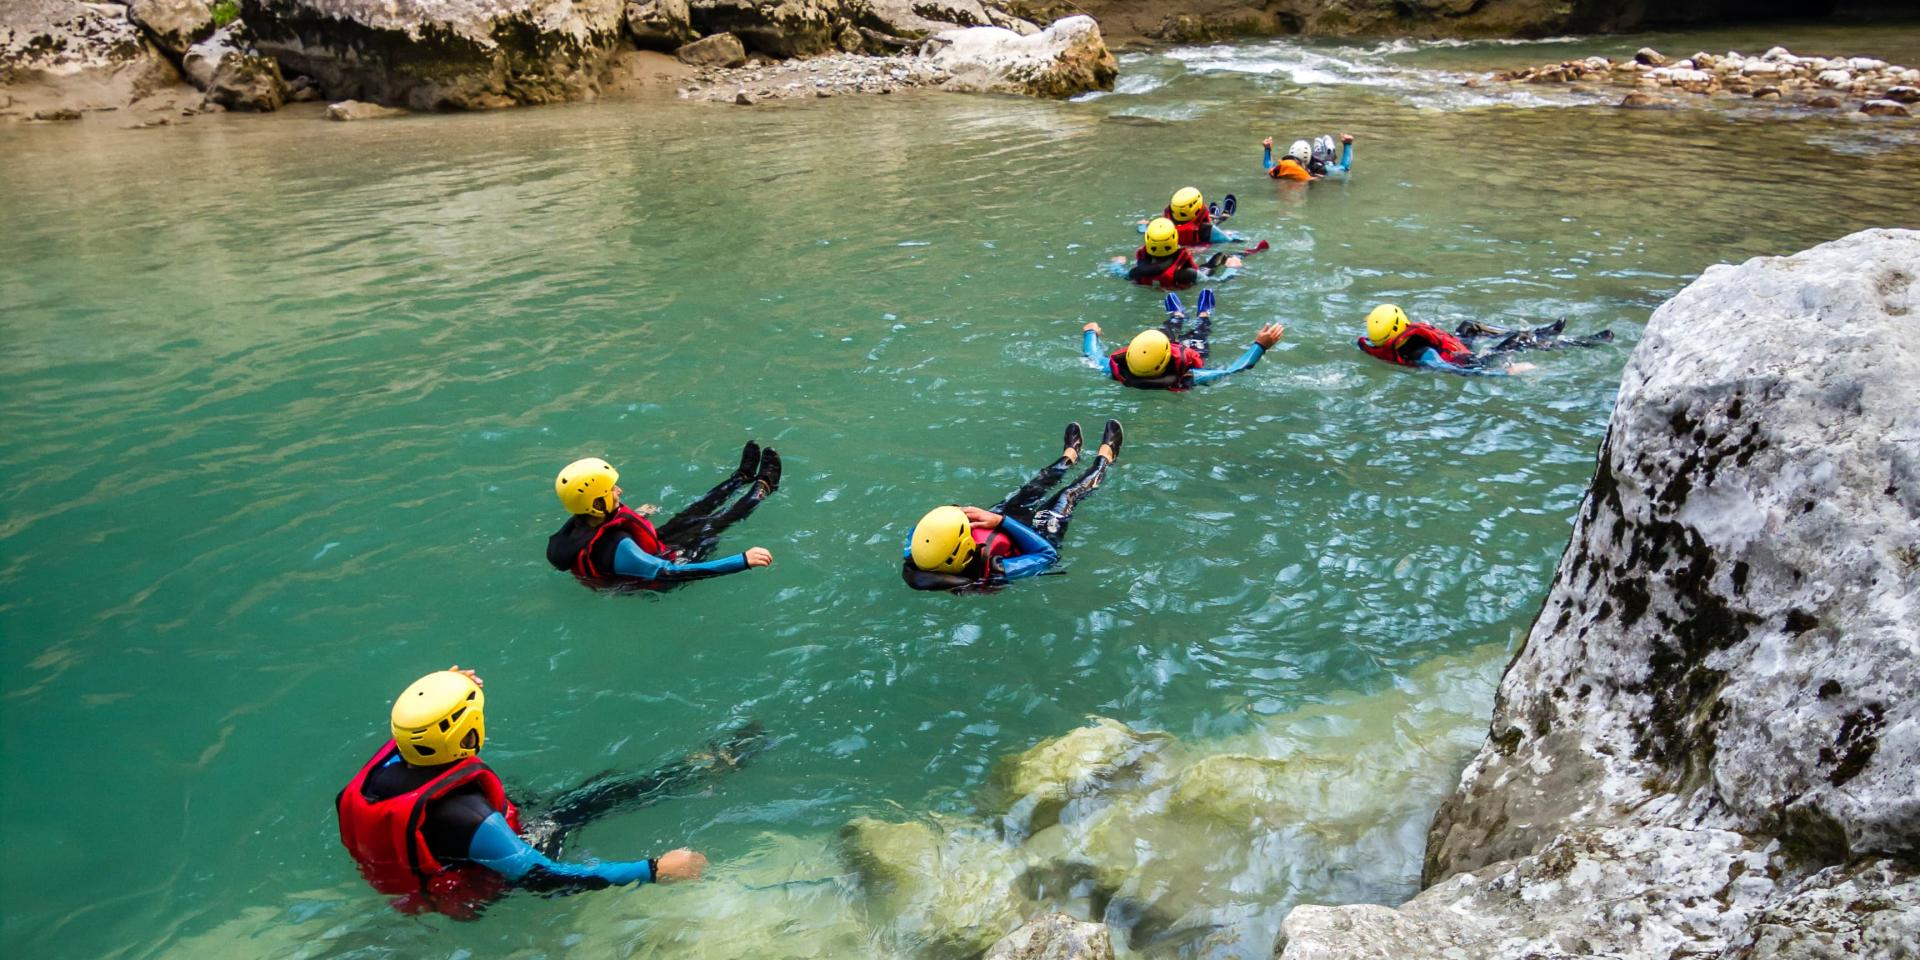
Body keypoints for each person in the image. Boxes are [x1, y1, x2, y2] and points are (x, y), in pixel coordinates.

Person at [337, 668, 763, 919]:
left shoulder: (385, 768)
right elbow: (546, 879)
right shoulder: (470, 816)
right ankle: (708, 764)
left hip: (420, 868)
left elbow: (420, 732)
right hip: (484, 884)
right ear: (466, 734)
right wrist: (654, 869)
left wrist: (454, 682)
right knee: (593, 797)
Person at [902, 420, 1124, 592]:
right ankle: (1105, 459)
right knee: (1069, 494)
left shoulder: (917, 553)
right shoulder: (998, 569)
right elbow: (1048, 557)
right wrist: (1000, 521)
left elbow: (917, 531)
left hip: (996, 521)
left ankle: (1069, 456)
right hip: (1037, 535)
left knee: (1035, 485)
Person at [546, 445, 778, 591]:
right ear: (596, 504)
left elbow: (600, 530)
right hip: (663, 570)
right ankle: (764, 486)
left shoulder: (581, 521)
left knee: (693, 512)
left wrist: (637, 514)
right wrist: (742, 560)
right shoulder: (620, 546)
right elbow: (670, 572)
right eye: (611, 490)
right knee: (714, 524)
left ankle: (740, 477)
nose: (619, 491)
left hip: (652, 552)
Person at [1081, 289, 1283, 391]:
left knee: (1165, 331)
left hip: (1159, 352)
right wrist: (1260, 345)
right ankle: (1203, 314)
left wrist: (1090, 332)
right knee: (1198, 336)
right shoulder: (1188, 376)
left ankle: (1177, 316)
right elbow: (1233, 370)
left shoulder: (1116, 370)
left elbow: (1092, 355)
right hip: (1175, 354)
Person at [1356, 305, 1608, 376]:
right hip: (1468, 362)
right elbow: (1450, 368)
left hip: (1453, 349)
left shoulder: (1377, 342)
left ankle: (1537, 331)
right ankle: (1584, 341)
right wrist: (1505, 372)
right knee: (1519, 341)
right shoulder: (1421, 351)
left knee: (1469, 327)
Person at [1111, 218, 1240, 289]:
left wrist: (1116, 264)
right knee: (1220, 256)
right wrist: (1232, 269)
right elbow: (1216, 282)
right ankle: (1233, 257)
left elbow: (1119, 274)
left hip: (1151, 289)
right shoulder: (1186, 274)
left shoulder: (1137, 272)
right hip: (1184, 283)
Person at [1262, 134, 1353, 181]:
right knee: (1327, 163)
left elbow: (1268, 165)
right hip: (1314, 161)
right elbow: (1343, 167)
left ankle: (1329, 150)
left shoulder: (1317, 168)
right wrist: (1347, 144)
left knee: (1329, 161)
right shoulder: (1289, 166)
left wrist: (1267, 149)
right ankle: (1321, 148)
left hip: (1319, 162)